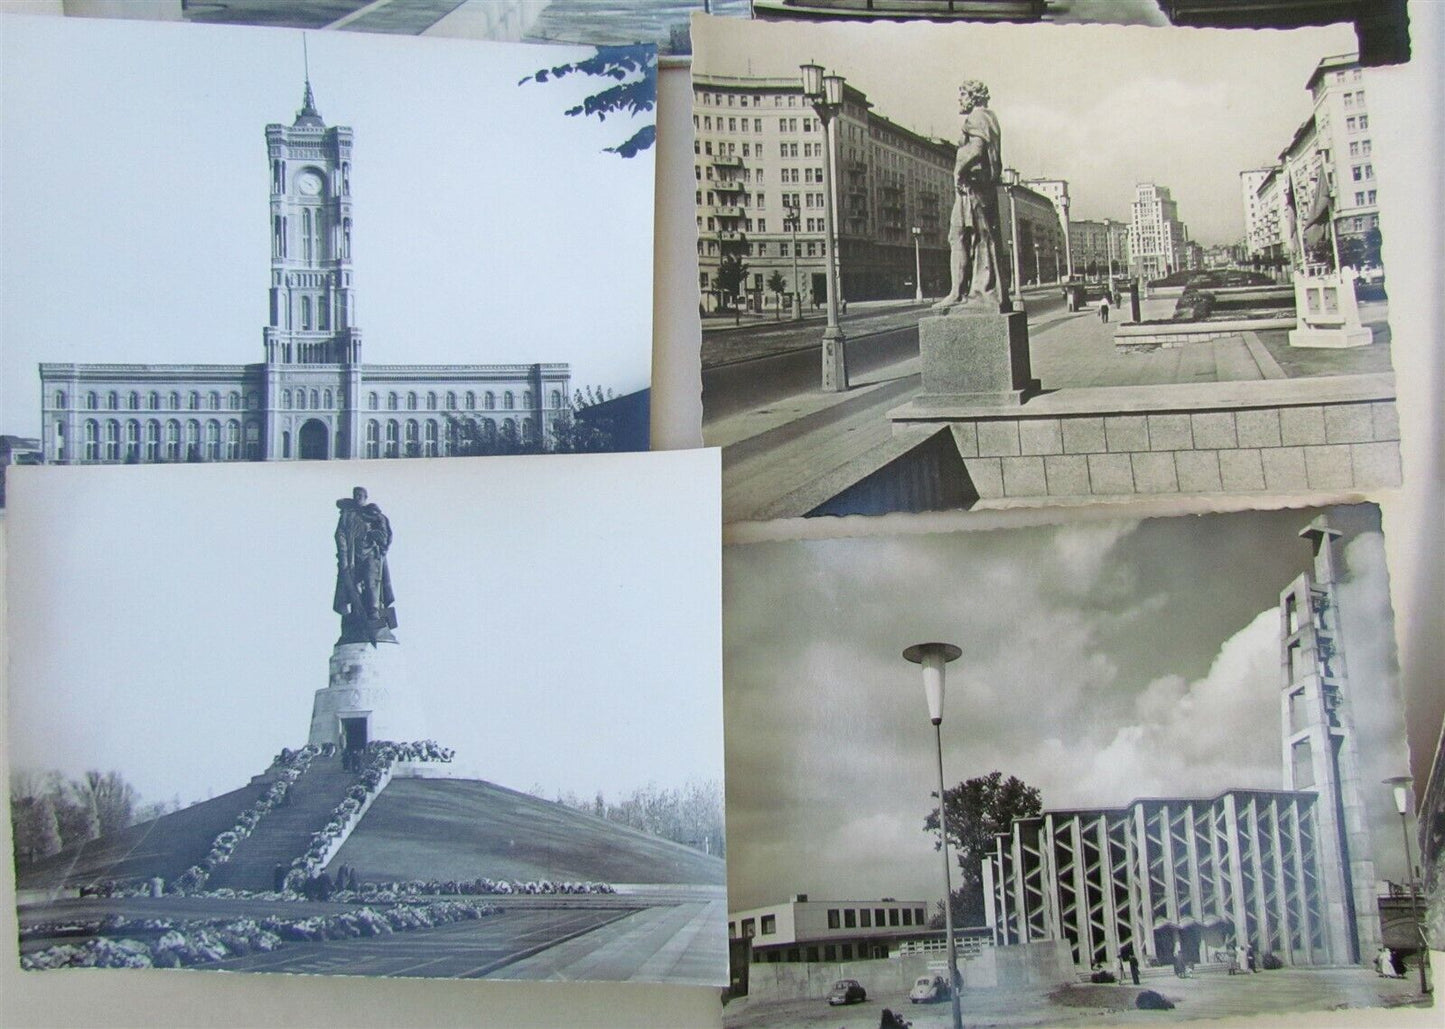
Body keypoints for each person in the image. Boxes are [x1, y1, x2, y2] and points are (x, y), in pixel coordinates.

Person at [932, 80, 1011, 314]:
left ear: (974, 97)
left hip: (972, 187)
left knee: (961, 237)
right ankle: (978, 291)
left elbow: (976, 151)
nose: (960, 99)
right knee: (977, 238)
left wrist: (958, 170)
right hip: (980, 187)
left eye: (963, 94)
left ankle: (961, 293)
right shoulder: (990, 117)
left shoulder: (977, 117)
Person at [333, 486, 396, 643]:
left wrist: (376, 538)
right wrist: (343, 555)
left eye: (361, 495)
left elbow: (385, 534)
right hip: (353, 556)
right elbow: (340, 533)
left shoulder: (375, 514)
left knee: (371, 583)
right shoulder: (348, 515)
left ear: (366, 496)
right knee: (352, 586)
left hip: (371, 555)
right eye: (356, 495)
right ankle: (356, 615)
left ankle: (375, 614)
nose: (358, 497)